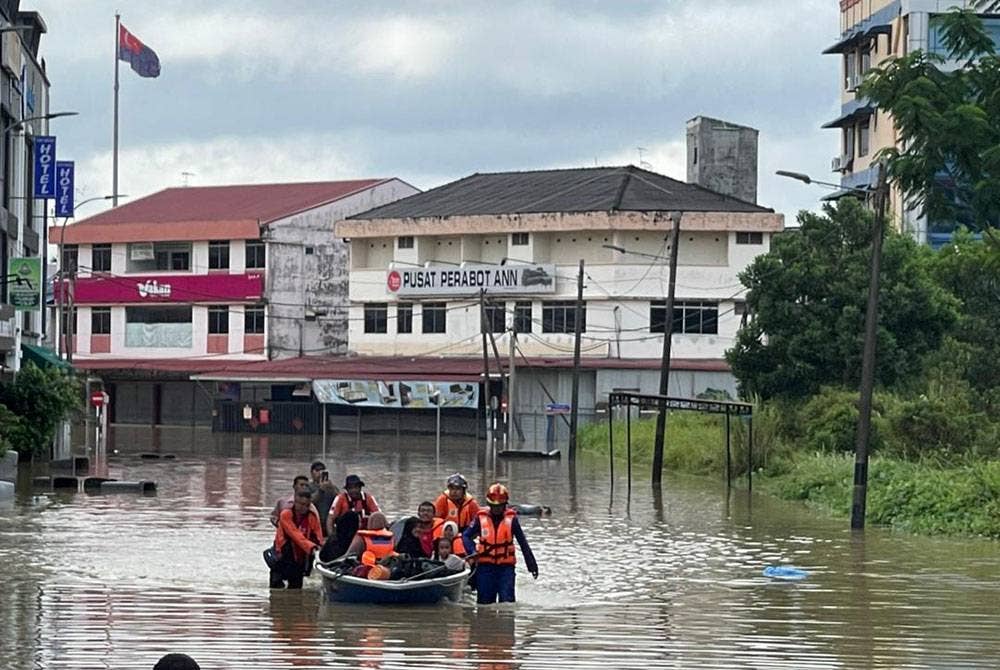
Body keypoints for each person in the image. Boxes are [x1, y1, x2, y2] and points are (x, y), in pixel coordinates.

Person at [462, 483, 538, 604]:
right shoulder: (480, 518)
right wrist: (472, 551)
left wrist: (531, 565)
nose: (496, 509)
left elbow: (523, 543)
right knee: (485, 603)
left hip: (505, 568)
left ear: (505, 505)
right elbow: (466, 536)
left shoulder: (512, 520)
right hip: (485, 567)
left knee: (507, 602)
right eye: (494, 506)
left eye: (499, 506)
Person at [271, 489, 324, 589]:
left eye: (307, 505)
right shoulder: (286, 515)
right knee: (275, 589)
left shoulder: (312, 516)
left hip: (299, 559)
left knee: (296, 589)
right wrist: (312, 547)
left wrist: (320, 548)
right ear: (295, 502)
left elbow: (318, 535)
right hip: (282, 557)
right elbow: (295, 534)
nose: (304, 508)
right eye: (301, 504)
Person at [309, 462, 339, 530]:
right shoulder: (308, 486)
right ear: (311, 473)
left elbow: (340, 499)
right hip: (314, 521)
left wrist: (332, 488)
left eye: (322, 471)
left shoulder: (331, 486)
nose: (319, 473)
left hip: (329, 522)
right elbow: (309, 501)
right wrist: (320, 490)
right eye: (317, 470)